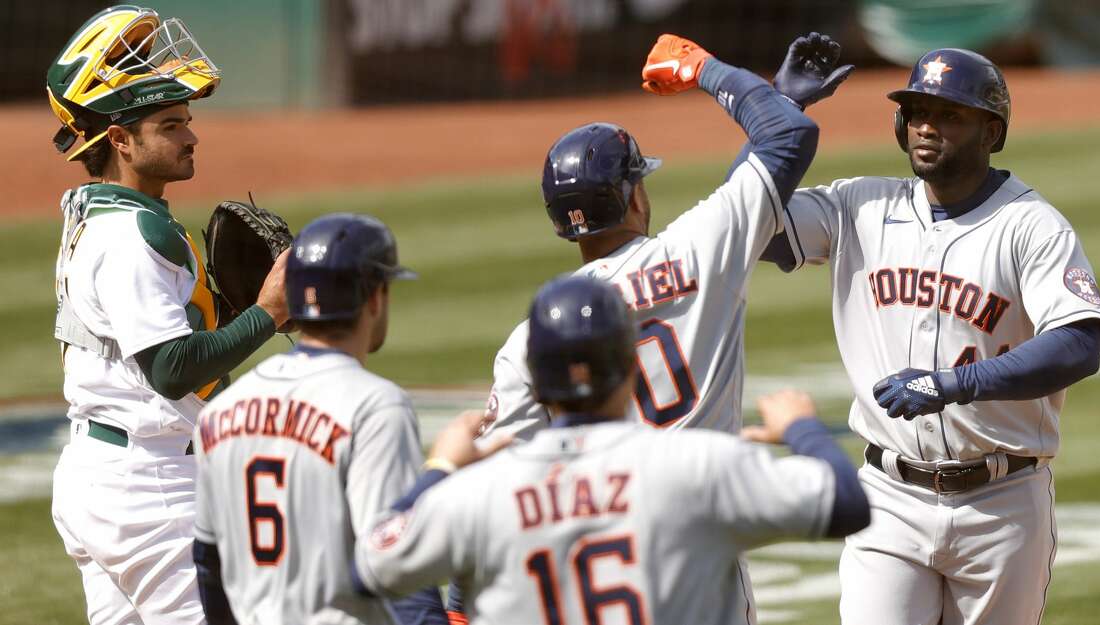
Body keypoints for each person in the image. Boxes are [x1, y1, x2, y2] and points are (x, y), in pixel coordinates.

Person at [760, 48, 1100, 625]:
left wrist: (953, 383)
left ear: (991, 132)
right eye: (917, 111)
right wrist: (779, 112)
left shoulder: (1031, 225)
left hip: (1002, 505)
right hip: (889, 499)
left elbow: (1080, 341)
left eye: (950, 115)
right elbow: (747, 218)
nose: (927, 126)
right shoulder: (858, 206)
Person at [354, 274, 871, 625]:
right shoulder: (695, 464)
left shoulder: (480, 492)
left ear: (535, 384)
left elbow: (372, 564)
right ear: (630, 368)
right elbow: (846, 503)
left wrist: (441, 466)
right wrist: (803, 428)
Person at [480, 32, 853, 440]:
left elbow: (495, 459)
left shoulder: (533, 337)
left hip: (614, 501)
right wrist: (702, 68)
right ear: (635, 198)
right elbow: (786, 137)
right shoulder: (695, 251)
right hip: (712, 493)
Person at [47, 6, 290, 624]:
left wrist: (221, 314)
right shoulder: (131, 236)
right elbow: (172, 368)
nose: (191, 137)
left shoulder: (93, 212)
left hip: (103, 475)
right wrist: (268, 310)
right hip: (149, 491)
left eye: (187, 121)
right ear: (120, 141)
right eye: (170, 124)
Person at [190, 214, 449, 625]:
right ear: (376, 298)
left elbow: (208, 562)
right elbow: (397, 567)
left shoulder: (220, 413)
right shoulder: (375, 406)